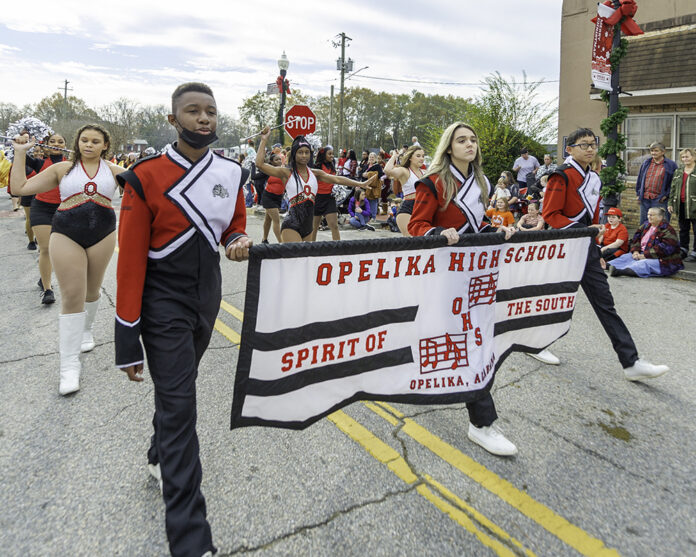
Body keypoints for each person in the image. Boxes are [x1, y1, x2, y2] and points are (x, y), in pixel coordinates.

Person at [115, 82, 252, 557]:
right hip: (160, 298)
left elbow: (234, 222)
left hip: (206, 294)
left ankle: (159, 455)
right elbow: (129, 259)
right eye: (193, 111)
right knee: (181, 406)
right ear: (173, 119)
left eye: (210, 111)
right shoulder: (145, 175)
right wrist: (126, 337)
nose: (204, 119)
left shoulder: (231, 172)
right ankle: (191, 539)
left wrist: (237, 239)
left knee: (179, 386)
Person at [409, 122, 518, 457]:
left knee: (470, 339)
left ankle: (469, 412)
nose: (469, 144)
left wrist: (499, 230)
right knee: (465, 340)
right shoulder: (433, 182)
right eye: (461, 140)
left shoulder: (482, 181)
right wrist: (440, 231)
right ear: (449, 147)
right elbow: (417, 226)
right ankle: (482, 423)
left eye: (472, 139)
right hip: (444, 273)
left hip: (474, 273)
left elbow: (478, 223)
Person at [542, 127, 669, 381]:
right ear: (569, 149)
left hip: (586, 248)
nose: (590, 149)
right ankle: (535, 344)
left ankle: (630, 362)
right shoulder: (561, 176)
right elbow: (550, 215)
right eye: (583, 145)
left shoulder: (594, 177)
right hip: (563, 246)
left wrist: (595, 242)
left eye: (593, 144)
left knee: (605, 303)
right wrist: (583, 229)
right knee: (551, 299)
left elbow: (592, 214)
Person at [11, 124, 122, 395]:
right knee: (73, 295)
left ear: (105, 145)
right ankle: (69, 365)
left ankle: (87, 330)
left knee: (93, 291)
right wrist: (20, 153)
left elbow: (154, 188)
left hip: (103, 233)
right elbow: (19, 188)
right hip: (66, 232)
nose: (89, 145)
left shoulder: (117, 172)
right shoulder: (63, 169)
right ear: (77, 142)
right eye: (84, 140)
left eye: (96, 141)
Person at [255, 127, 374, 243]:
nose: (304, 155)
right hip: (291, 225)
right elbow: (260, 164)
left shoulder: (316, 173)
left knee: (306, 261)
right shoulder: (286, 173)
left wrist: (360, 183)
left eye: (307, 152)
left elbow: (337, 179)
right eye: (300, 152)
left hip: (308, 227)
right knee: (295, 260)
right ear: (294, 154)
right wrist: (264, 140)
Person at [24, 133, 68, 304]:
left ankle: (44, 277)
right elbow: (21, 159)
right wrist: (23, 147)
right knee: (46, 248)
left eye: (60, 141)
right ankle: (48, 289)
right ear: (46, 145)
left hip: (65, 209)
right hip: (41, 208)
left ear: (65, 145)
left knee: (61, 252)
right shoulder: (39, 162)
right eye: (52, 141)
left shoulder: (72, 165)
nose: (56, 144)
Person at [609, 207, 683, 278]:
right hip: (642, 253)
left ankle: (620, 272)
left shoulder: (667, 229)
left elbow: (665, 248)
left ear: (660, 217)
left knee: (643, 264)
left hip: (663, 259)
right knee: (626, 257)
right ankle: (606, 265)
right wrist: (635, 251)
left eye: (652, 215)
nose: (649, 217)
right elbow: (636, 239)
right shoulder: (645, 225)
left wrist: (645, 255)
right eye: (648, 214)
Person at [384, 144, 425, 237]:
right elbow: (387, 170)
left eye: (423, 156)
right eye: (418, 156)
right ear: (410, 158)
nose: (421, 158)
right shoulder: (404, 171)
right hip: (408, 208)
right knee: (412, 242)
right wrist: (394, 156)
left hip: (423, 207)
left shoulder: (425, 173)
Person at [635, 142, 677, 225]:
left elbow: (674, 183)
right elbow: (640, 179)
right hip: (645, 198)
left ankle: (660, 238)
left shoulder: (671, 165)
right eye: (652, 151)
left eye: (656, 151)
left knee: (661, 224)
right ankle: (644, 238)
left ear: (663, 152)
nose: (653, 153)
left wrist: (666, 195)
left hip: (660, 200)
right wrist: (638, 193)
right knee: (644, 223)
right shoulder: (646, 163)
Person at [668, 148, 696, 262]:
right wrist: (670, 203)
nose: (685, 159)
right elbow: (673, 188)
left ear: (694, 157)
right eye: (683, 157)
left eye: (687, 157)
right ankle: (683, 249)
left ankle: (695, 252)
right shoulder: (678, 171)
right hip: (681, 205)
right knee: (683, 229)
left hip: (694, 205)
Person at [311, 146, 342, 241]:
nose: (332, 156)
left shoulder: (332, 165)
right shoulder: (317, 166)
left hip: (329, 198)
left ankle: (337, 249)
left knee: (334, 226)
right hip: (317, 198)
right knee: (314, 228)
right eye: (330, 154)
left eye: (332, 153)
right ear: (323, 155)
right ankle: (310, 248)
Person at [260, 151, 284, 244]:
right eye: (276, 159)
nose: (279, 161)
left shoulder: (284, 170)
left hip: (278, 198)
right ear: (272, 162)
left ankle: (264, 239)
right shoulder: (268, 171)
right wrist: (254, 167)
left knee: (268, 219)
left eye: (280, 159)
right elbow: (254, 177)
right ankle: (281, 243)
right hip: (268, 196)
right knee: (276, 220)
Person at [362, 151, 384, 220]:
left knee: (373, 202)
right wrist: (363, 174)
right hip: (365, 186)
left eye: (373, 157)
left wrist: (368, 174)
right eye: (370, 157)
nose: (371, 158)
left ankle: (373, 216)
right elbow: (361, 174)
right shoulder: (366, 166)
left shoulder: (377, 166)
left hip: (373, 188)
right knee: (366, 201)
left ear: (375, 158)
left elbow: (380, 175)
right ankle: (367, 216)